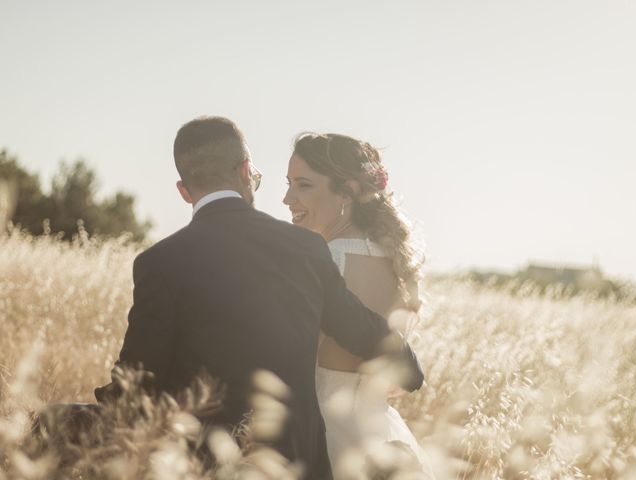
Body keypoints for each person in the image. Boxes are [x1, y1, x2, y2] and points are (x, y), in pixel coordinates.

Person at [94, 116, 424, 480]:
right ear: (245, 171)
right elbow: (356, 324)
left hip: (205, 461)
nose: (287, 197)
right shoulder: (305, 248)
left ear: (184, 191)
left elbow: (137, 380)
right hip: (305, 458)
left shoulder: (158, 262)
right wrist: (409, 368)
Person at [283, 132, 432, 477]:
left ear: (348, 191)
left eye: (303, 185)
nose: (287, 197)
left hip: (319, 441)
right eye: (289, 184)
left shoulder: (322, 264)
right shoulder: (396, 265)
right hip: (379, 435)